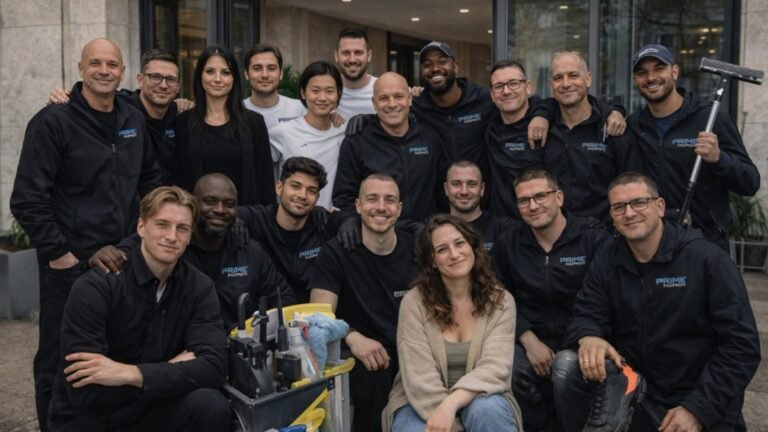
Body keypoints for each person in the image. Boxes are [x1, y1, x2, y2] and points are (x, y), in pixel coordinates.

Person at [10, 38, 163, 431]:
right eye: (95, 63)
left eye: (112, 64)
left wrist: (141, 238)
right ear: (80, 69)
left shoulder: (132, 118)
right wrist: (62, 256)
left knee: (116, 352)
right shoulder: (52, 122)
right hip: (71, 267)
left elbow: (149, 180)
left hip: (124, 259)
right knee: (60, 360)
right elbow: (27, 198)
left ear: (123, 71)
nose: (104, 70)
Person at [551, 172, 760, 431]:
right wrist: (588, 335)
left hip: (699, 400)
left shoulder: (706, 259)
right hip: (637, 398)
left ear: (659, 207)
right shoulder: (607, 258)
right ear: (613, 217)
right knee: (567, 365)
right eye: (619, 207)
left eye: (639, 203)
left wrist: (698, 409)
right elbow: (586, 310)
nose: (629, 213)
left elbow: (742, 346)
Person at [48, 186, 230, 431]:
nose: (172, 236)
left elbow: (215, 367)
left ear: (190, 235)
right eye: (162, 225)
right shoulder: (95, 286)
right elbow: (85, 390)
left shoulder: (199, 286)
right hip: (90, 421)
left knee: (211, 405)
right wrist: (172, 369)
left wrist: (131, 374)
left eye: (182, 228)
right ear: (141, 227)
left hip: (149, 412)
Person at [492, 168, 609, 432]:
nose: (533, 206)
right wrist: (527, 338)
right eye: (524, 200)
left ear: (559, 197)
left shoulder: (593, 239)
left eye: (540, 196)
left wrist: (580, 341)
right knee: (507, 368)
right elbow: (497, 297)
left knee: (565, 369)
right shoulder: (508, 244)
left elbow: (601, 299)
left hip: (582, 338)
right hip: (529, 339)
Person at [383, 214, 521, 431]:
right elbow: (420, 380)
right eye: (442, 249)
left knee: (486, 410)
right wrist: (453, 424)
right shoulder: (414, 303)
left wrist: (450, 404)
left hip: (480, 397)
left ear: (473, 248)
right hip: (419, 401)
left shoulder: (501, 301)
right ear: (432, 262)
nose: (454, 254)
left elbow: (495, 368)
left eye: (459, 243)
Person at [310, 174, 417, 432]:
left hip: (412, 350)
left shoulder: (416, 249)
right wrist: (352, 336)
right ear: (358, 206)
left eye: (389, 200)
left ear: (399, 209)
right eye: (372, 199)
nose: (381, 206)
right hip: (363, 355)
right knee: (373, 376)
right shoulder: (335, 253)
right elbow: (319, 316)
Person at [626, 44, 759, 251]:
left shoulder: (711, 119)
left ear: (675, 71)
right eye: (642, 73)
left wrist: (719, 158)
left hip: (706, 242)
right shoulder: (635, 125)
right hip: (655, 241)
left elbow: (750, 182)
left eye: (658, 68)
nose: (651, 77)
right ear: (636, 81)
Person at [46, 48, 182, 182]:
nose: (163, 85)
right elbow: (95, 95)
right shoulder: (123, 108)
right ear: (140, 80)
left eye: (171, 79)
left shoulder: (180, 116)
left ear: (178, 86)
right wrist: (66, 97)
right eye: (155, 77)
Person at [333, 71, 445, 221]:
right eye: (384, 98)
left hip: (423, 235)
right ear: (374, 103)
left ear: (410, 98)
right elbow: (344, 197)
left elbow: (442, 191)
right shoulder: (357, 141)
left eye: (398, 96)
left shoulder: (429, 138)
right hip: (378, 237)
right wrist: (356, 225)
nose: (392, 104)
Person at [173, 44, 275, 206]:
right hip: (196, 222)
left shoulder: (254, 122)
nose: (218, 79)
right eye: (210, 71)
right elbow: (176, 179)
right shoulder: (182, 122)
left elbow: (266, 180)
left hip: (245, 220)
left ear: (234, 78)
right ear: (200, 76)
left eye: (226, 73)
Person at [543, 51, 634, 223]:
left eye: (573, 75)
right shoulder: (543, 129)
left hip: (603, 235)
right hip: (554, 236)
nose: (565, 83)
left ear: (588, 79)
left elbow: (630, 185)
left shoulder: (612, 129)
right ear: (551, 85)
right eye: (558, 78)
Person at [238, 157, 343, 302]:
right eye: (295, 186)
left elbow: (355, 219)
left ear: (318, 197)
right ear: (279, 188)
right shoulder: (256, 219)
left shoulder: (324, 222)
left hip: (314, 317)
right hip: (268, 318)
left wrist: (349, 222)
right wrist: (232, 222)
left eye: (311, 191)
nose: (302, 195)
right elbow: (218, 212)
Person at [270, 61, 346, 209]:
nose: (322, 98)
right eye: (315, 91)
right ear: (303, 93)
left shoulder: (344, 131)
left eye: (329, 91)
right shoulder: (283, 132)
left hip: (330, 221)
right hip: (293, 218)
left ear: (339, 94)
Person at [485, 59, 545, 218]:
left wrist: (615, 111)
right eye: (499, 86)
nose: (506, 91)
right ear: (492, 95)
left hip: (538, 222)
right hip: (503, 226)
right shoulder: (489, 126)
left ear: (528, 87)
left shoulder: (547, 126)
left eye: (513, 83)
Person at [444, 160, 516, 251]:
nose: (464, 191)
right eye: (456, 184)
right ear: (446, 189)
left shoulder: (505, 229)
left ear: (482, 189)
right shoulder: (434, 231)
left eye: (472, 184)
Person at [242, 43, 305, 129]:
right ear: (246, 74)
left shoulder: (300, 109)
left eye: (271, 68)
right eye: (257, 68)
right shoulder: (235, 111)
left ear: (281, 74)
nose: (265, 75)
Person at [334, 28, 377, 119]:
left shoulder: (384, 89)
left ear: (369, 56)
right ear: (336, 56)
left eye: (358, 53)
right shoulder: (326, 93)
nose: (352, 60)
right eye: (346, 53)